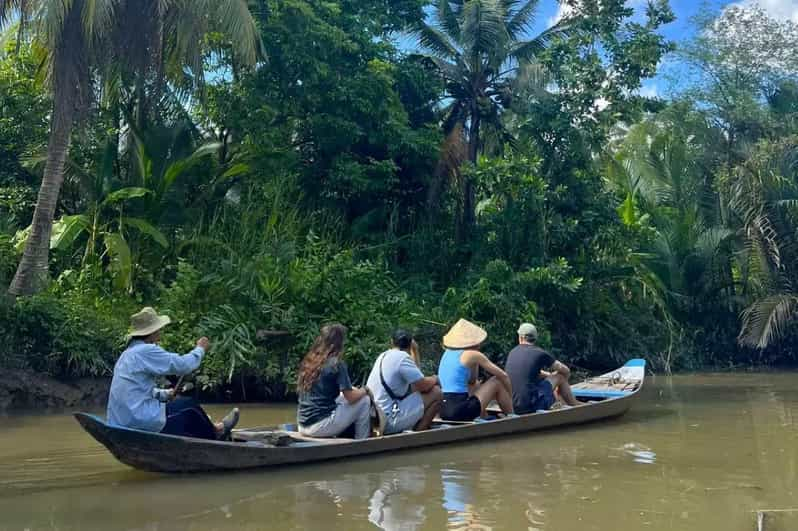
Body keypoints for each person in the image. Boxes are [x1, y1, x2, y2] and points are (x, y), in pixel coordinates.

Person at [106, 307, 240, 440]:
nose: (160, 331)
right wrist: (200, 349)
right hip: (138, 419)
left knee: (183, 407)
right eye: (158, 328)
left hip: (121, 421)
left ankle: (213, 426)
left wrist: (165, 394)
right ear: (152, 331)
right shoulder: (146, 350)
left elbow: (137, 391)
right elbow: (184, 365)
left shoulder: (126, 354)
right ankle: (216, 431)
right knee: (188, 404)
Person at [296, 323, 372, 439]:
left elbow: (344, 393)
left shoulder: (310, 360)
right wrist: (365, 389)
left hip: (302, 425)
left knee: (343, 396)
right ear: (338, 343)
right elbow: (351, 398)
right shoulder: (337, 364)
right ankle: (362, 441)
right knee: (364, 401)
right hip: (318, 427)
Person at [366, 330, 442, 434]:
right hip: (387, 419)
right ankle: (419, 435)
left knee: (418, 392)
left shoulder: (383, 355)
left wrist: (414, 351)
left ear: (391, 342)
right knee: (436, 392)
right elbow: (423, 386)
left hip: (375, 417)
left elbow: (416, 380)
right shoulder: (402, 358)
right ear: (411, 343)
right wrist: (435, 378)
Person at [437, 319, 513, 421]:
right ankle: (512, 415)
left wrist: (474, 364)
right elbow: (503, 376)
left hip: (444, 410)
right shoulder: (472, 354)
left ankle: (483, 416)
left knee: (476, 384)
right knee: (497, 381)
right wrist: (511, 396)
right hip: (459, 410)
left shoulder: (446, 353)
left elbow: (472, 381)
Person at [504, 323, 581, 414]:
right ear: (535, 339)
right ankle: (576, 406)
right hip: (531, 406)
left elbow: (528, 373)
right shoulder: (539, 353)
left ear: (520, 337)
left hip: (512, 406)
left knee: (547, 381)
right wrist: (562, 379)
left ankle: (561, 402)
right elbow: (565, 370)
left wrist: (548, 375)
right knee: (560, 377)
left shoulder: (512, 352)